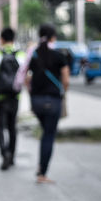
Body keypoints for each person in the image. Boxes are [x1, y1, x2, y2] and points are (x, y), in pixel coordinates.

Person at [26, 24, 69, 183]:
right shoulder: (59, 56)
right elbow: (66, 80)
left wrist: (32, 93)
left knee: (46, 132)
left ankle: (40, 168)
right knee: (48, 135)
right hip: (53, 101)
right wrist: (63, 91)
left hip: (36, 101)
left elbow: (27, 78)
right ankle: (42, 173)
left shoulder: (34, 55)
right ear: (53, 37)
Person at [0, 27, 25, 170]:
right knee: (12, 126)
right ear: (13, 39)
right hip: (15, 96)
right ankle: (12, 155)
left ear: (1, 39)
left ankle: (4, 153)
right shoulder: (21, 55)